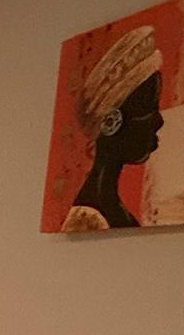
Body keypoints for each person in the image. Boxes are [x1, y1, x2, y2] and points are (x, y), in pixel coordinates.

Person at [59, 24, 164, 232]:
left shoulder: (106, 205)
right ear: (111, 122)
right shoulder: (89, 218)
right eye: (147, 108)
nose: (159, 121)